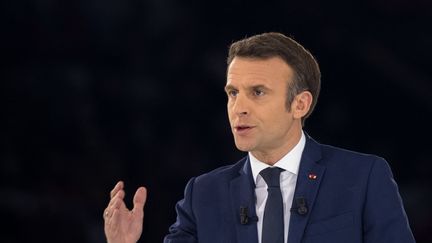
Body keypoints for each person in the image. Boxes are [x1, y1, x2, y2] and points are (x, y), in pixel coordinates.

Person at [103, 32, 416, 243]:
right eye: (233, 93)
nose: (239, 108)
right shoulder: (203, 194)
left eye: (257, 92)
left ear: (300, 104)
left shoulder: (363, 177)